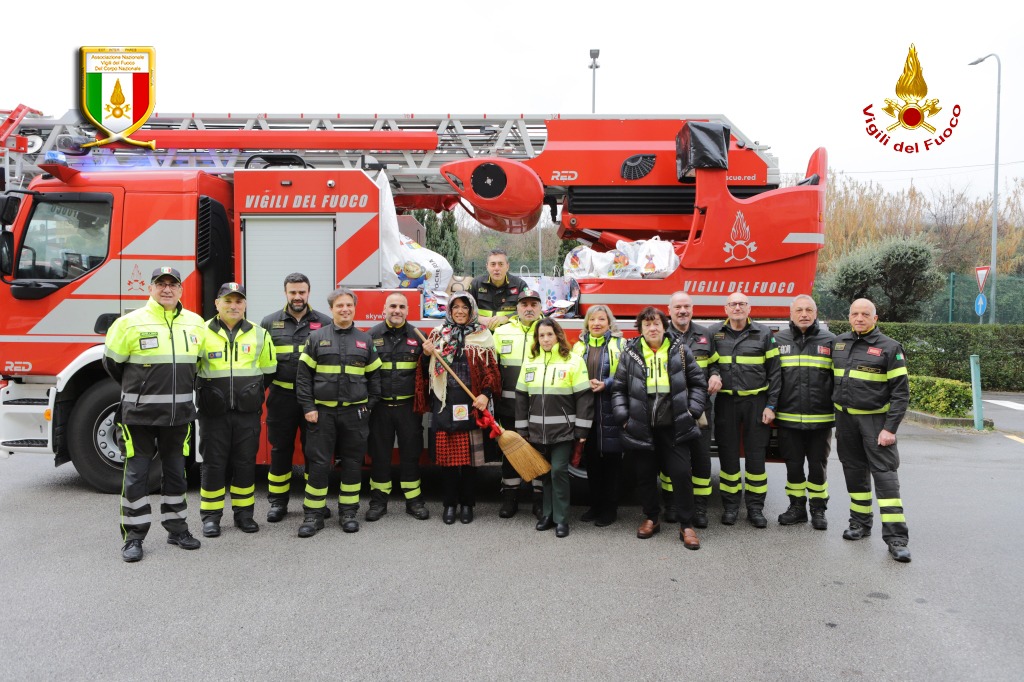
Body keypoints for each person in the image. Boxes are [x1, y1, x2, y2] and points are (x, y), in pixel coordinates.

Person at [103, 266, 206, 562]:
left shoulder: (195, 323)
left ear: (181, 290)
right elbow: (112, 364)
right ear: (150, 288)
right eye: (161, 284)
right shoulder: (129, 323)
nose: (167, 289)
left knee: (176, 474)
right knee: (136, 476)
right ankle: (133, 538)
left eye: (173, 284)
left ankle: (177, 530)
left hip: (179, 416)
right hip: (139, 417)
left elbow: (197, 367)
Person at [611, 307, 707, 550]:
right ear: (640, 329)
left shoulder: (680, 350)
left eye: (656, 324)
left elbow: (698, 383)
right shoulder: (630, 352)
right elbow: (619, 389)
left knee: (682, 474)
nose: (652, 328)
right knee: (644, 475)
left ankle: (686, 524)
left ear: (664, 327)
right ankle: (651, 518)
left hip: (675, 426)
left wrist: (692, 412)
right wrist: (624, 418)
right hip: (641, 426)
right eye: (647, 325)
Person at [294, 287, 381, 537]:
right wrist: (308, 407)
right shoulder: (316, 338)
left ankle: (349, 513)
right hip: (322, 415)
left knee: (353, 464)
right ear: (331, 309)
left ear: (355, 308)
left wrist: (369, 406)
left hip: (355, 415)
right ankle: (313, 515)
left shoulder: (365, 340)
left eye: (349, 305)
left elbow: (376, 377)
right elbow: (303, 377)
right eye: (340, 305)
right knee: (319, 464)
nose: (345, 309)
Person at [832, 298, 911, 563]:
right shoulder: (839, 344)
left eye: (865, 314)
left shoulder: (890, 347)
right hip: (845, 421)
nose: (860, 318)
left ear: (875, 318)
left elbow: (901, 393)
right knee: (854, 474)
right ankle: (859, 524)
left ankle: (896, 539)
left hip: (876, 422)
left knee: (885, 478)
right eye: (855, 313)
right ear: (849, 317)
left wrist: (890, 428)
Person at [195, 282, 276, 538]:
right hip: (212, 413)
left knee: (244, 464)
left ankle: (244, 515)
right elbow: (190, 370)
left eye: (238, 301)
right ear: (216, 304)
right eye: (227, 300)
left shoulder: (260, 334)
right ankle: (211, 518)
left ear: (245, 305)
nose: (233, 305)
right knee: (213, 464)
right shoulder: (200, 332)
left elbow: (269, 372)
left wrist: (248, 393)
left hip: (247, 413)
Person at [414, 292, 501, 525]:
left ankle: (467, 505)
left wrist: (485, 394)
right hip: (444, 404)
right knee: (449, 463)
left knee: (469, 463)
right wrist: (425, 355)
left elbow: (492, 370)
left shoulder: (483, 335)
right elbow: (424, 372)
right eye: (456, 307)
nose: (460, 311)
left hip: (471, 404)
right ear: (449, 311)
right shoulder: (436, 336)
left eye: (465, 307)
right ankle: (450, 505)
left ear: (472, 310)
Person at [260, 273, 333, 523]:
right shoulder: (269, 323)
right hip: (281, 398)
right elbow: (262, 363)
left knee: (315, 452)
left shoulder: (324, 322)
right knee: (280, 450)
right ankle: (278, 503)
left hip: (314, 400)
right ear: (286, 293)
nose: (298, 297)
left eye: (302, 292)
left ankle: (316, 503)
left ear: (308, 293)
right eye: (293, 292)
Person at [516, 318, 593, 538]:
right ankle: (548, 515)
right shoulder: (530, 362)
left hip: (563, 431)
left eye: (549, 334)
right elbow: (521, 397)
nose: (546, 339)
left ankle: (561, 519)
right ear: (537, 339)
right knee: (545, 473)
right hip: (537, 432)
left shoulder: (574, 361)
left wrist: (581, 432)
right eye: (541, 336)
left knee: (559, 471)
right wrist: (522, 431)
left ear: (558, 335)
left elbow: (584, 398)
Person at [710, 292, 781, 528]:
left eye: (742, 304)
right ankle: (730, 507)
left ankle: (755, 509)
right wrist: (714, 374)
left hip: (756, 403)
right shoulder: (714, 333)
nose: (737, 307)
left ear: (749, 308)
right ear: (726, 309)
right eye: (733, 304)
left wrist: (771, 405)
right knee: (728, 456)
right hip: (726, 402)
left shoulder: (763, 334)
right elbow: (710, 363)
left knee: (756, 457)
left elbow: (775, 373)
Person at [365, 293, 429, 522]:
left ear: (407, 310)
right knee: (380, 455)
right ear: (384, 309)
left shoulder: (419, 336)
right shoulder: (371, 336)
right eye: (392, 306)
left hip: (408, 408)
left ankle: (414, 501)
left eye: (401, 306)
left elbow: (427, 371)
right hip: (380, 408)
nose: (397, 310)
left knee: (411, 455)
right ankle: (378, 501)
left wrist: (429, 356)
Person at [773, 295, 835, 530]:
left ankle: (818, 510)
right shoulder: (778, 340)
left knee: (818, 466)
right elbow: (773, 379)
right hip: (788, 419)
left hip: (821, 419)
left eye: (809, 309)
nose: (804, 314)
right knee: (793, 465)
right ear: (791, 314)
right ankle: (797, 508)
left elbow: (838, 380)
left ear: (816, 313)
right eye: (799, 310)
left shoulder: (830, 341)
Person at [664, 291, 721, 528]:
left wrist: (716, 374)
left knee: (700, 458)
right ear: (669, 311)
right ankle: (672, 505)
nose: (682, 311)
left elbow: (716, 362)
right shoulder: (661, 335)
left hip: (700, 409)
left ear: (692, 309)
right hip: (669, 408)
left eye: (686, 306)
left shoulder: (705, 334)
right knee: (671, 460)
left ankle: (699, 508)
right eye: (677, 307)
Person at [492, 287, 544, 519]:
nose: (529, 308)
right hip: (508, 405)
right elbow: (491, 368)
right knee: (511, 450)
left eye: (534, 304)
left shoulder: (548, 331)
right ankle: (510, 498)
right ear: (517, 308)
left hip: (539, 405)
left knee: (539, 451)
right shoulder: (502, 332)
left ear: (541, 308)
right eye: (524, 304)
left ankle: (539, 500)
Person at [571, 304, 625, 527]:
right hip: (586, 412)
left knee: (611, 463)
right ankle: (595, 506)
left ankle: (609, 509)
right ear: (587, 323)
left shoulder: (619, 345)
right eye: (592, 320)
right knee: (591, 461)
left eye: (601, 319)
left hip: (611, 411)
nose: (596, 323)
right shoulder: (578, 347)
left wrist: (607, 384)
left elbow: (628, 376)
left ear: (609, 322)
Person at [469, 248, 528, 330]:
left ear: (507, 266)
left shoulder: (520, 285)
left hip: (511, 332)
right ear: (487, 266)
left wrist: (507, 317)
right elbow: (465, 309)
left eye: (501, 264)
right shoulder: (476, 284)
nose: (497, 268)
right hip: (482, 332)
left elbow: (528, 309)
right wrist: (479, 318)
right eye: (493, 264)